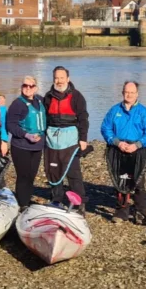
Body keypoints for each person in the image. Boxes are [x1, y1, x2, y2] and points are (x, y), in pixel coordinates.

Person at [101, 81, 146, 224]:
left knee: (138, 182)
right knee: (121, 180)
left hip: (137, 149)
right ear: (122, 92)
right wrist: (117, 142)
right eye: (126, 92)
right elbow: (106, 128)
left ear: (137, 93)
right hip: (119, 148)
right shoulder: (114, 110)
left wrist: (137, 145)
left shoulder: (143, 112)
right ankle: (121, 212)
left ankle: (140, 213)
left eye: (132, 92)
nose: (129, 94)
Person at [43, 66, 89, 214]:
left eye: (62, 78)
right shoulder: (48, 97)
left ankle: (79, 203)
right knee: (54, 169)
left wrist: (83, 139)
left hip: (70, 139)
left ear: (68, 79)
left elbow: (83, 119)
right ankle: (56, 199)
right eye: (56, 78)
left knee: (73, 172)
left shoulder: (77, 96)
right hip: (52, 139)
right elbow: (44, 119)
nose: (59, 81)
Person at [6, 75, 46, 209]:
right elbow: (11, 125)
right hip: (21, 146)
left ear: (36, 88)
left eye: (31, 86)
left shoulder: (41, 100)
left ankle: (26, 199)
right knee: (23, 176)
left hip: (38, 146)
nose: (28, 88)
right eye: (25, 86)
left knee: (31, 175)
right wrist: (26, 135)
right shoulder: (17, 104)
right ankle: (22, 204)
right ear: (21, 87)